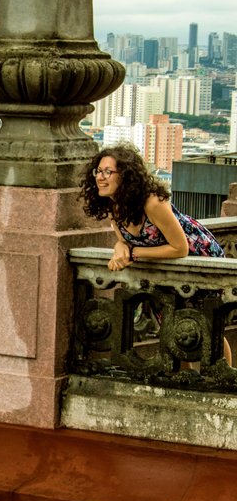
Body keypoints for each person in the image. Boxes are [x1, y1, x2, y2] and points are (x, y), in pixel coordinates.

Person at [79, 144, 230, 366]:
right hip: (161, 266)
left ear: (126, 176)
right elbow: (125, 240)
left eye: (107, 172)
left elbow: (180, 248)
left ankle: (223, 378)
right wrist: (119, 247)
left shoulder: (152, 202)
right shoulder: (113, 205)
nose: (100, 178)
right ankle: (182, 380)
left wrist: (131, 252)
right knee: (172, 325)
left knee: (206, 325)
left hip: (198, 259)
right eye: (98, 172)